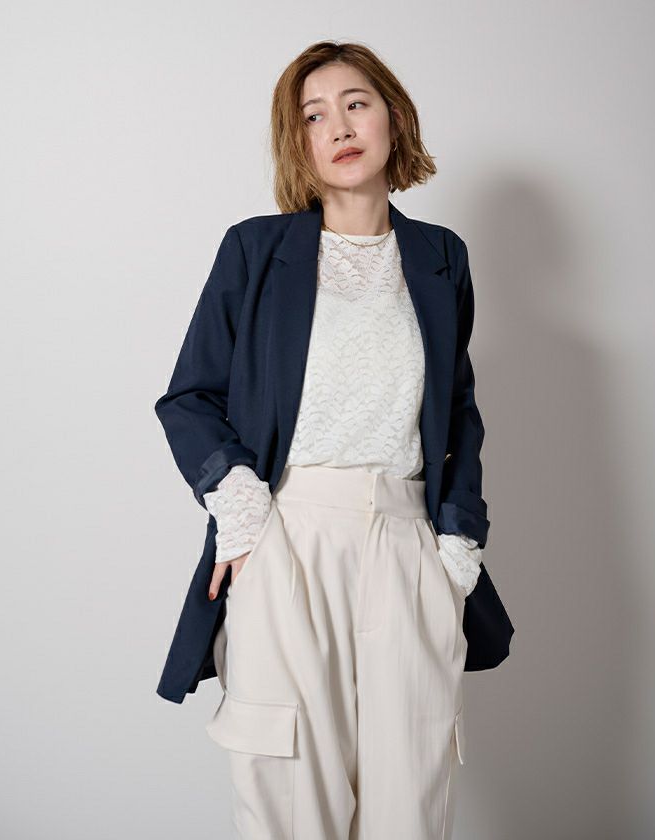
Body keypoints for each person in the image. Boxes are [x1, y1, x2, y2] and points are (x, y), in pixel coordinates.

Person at [154, 40, 506, 840]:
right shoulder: (255, 250)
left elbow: (458, 410)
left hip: (408, 547)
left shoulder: (440, 257)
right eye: (313, 116)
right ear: (299, 142)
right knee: (291, 799)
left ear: (393, 118)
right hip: (288, 538)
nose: (339, 127)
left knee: (409, 801)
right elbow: (190, 397)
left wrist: (457, 544)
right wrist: (241, 509)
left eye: (356, 104)